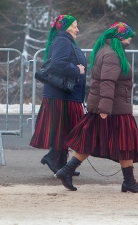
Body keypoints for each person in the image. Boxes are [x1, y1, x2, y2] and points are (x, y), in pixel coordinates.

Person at [54, 22, 138, 193]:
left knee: (92, 140)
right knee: (125, 142)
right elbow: (107, 82)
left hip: (110, 106)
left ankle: (67, 171)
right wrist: (105, 108)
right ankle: (129, 181)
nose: (130, 38)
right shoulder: (112, 54)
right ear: (119, 37)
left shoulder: (108, 51)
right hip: (113, 108)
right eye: (128, 35)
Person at [30, 15, 87, 177]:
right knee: (68, 130)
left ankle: (61, 163)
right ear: (66, 27)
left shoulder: (65, 40)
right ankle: (53, 157)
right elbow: (57, 64)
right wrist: (77, 70)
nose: (77, 29)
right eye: (75, 26)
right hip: (62, 96)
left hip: (64, 95)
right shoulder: (63, 41)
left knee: (65, 129)